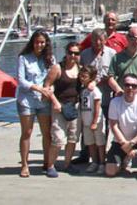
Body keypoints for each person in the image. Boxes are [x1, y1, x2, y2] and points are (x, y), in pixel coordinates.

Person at [16, 30, 59, 178]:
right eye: (36, 42)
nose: (39, 45)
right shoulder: (23, 58)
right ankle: (24, 164)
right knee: (27, 132)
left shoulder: (50, 59)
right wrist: (37, 88)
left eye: (42, 42)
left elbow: (53, 77)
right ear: (32, 43)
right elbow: (21, 80)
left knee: (46, 133)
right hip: (26, 99)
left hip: (43, 100)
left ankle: (47, 163)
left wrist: (49, 89)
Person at [73, 28, 117, 165]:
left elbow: (114, 75)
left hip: (105, 96)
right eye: (95, 39)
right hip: (87, 99)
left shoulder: (112, 53)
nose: (98, 42)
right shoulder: (85, 54)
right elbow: (80, 73)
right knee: (86, 126)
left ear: (105, 40)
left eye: (101, 39)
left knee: (103, 129)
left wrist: (100, 81)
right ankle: (85, 155)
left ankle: (101, 158)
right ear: (91, 40)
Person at [105, 74, 137, 177]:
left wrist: (132, 143)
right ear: (123, 86)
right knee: (110, 172)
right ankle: (124, 161)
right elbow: (114, 126)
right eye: (127, 85)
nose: (130, 88)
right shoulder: (115, 102)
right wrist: (124, 144)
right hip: (120, 141)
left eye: (134, 86)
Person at [45, 42, 82, 177]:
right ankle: (50, 165)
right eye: (70, 52)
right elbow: (47, 86)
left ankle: (67, 164)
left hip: (75, 107)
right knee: (58, 138)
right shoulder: (57, 68)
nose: (73, 56)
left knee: (73, 138)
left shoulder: (80, 68)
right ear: (66, 53)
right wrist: (55, 102)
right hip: (59, 106)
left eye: (76, 53)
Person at [107, 27, 137, 99]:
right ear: (127, 37)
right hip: (122, 98)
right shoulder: (117, 57)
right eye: (134, 38)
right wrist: (118, 89)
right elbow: (110, 78)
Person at [78, 66, 106, 175]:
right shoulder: (83, 90)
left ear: (91, 77)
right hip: (86, 121)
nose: (82, 78)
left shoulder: (94, 90)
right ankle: (94, 161)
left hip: (96, 122)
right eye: (81, 76)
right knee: (90, 143)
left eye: (85, 77)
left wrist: (95, 121)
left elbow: (97, 106)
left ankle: (102, 163)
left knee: (100, 143)